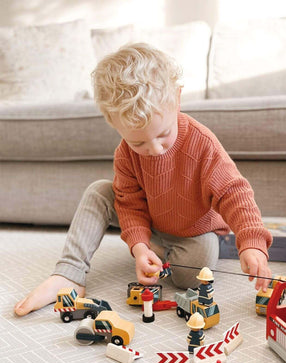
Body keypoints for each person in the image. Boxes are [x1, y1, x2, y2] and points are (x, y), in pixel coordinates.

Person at [14, 43, 272, 316]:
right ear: (114, 124)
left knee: (195, 275)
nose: (155, 149)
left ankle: (159, 254)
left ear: (177, 99)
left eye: (163, 134)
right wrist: (139, 246)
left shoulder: (202, 144)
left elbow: (235, 193)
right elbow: (129, 203)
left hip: (193, 230)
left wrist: (251, 242)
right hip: (149, 220)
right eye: (139, 142)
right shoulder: (125, 154)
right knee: (98, 191)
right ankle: (70, 274)